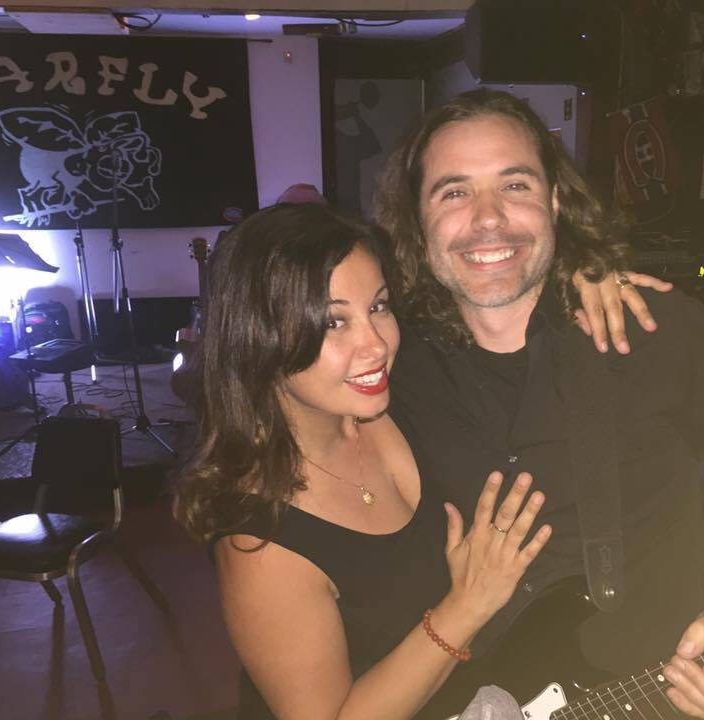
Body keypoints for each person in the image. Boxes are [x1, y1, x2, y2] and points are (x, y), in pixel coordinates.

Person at [372, 88, 704, 718]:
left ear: (554, 202)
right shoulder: (389, 363)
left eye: (515, 185)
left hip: (650, 697)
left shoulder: (656, 331)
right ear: (417, 221)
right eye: (454, 191)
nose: (489, 217)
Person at [174, 203, 554, 720]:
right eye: (334, 321)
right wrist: (468, 605)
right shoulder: (259, 542)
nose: (375, 345)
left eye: (378, 307)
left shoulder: (403, 396)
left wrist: (593, 279)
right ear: (259, 340)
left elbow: (499, 313)